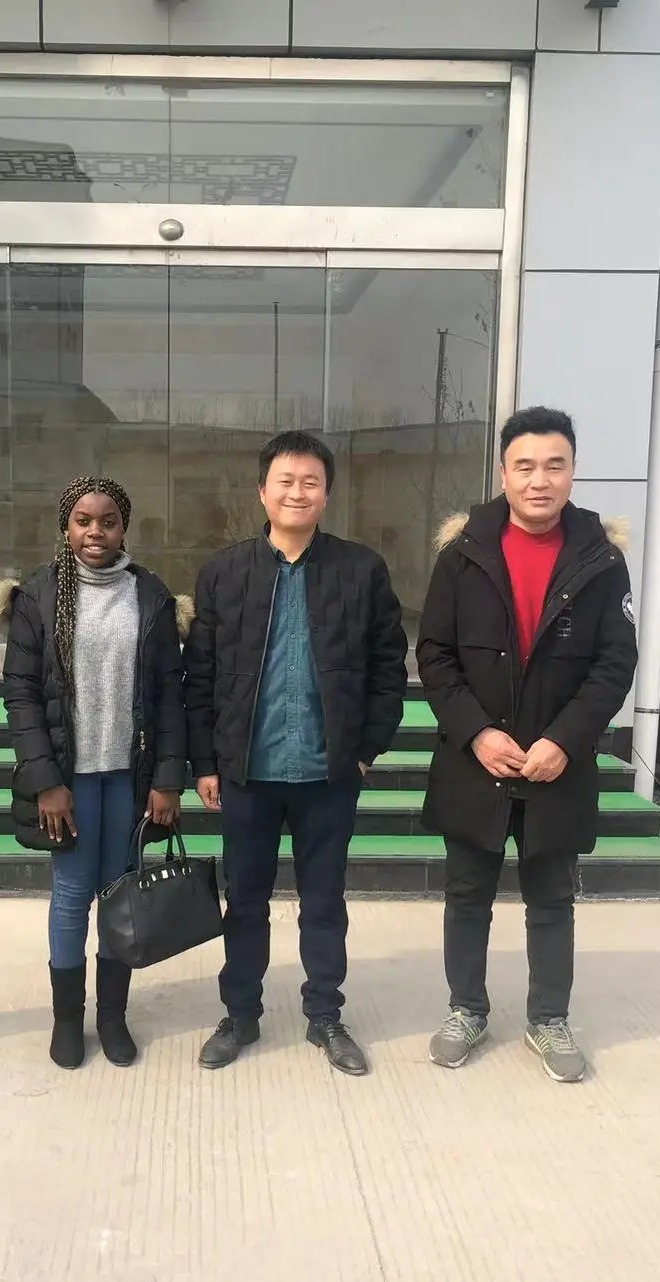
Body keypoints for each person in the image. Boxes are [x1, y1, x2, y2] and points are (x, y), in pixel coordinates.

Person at [417, 406, 638, 1083]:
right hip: (475, 762)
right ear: (503, 472)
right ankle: (467, 1009)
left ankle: (548, 1018)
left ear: (572, 471)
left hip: (556, 765)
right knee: (467, 895)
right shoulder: (463, 553)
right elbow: (435, 654)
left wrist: (565, 742)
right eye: (525, 466)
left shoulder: (601, 559)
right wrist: (477, 732)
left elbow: (614, 664)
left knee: (552, 899)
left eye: (554, 466)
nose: (539, 481)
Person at [183, 431, 408, 1076]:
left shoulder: (360, 570)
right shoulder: (224, 572)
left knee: (324, 902)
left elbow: (388, 668)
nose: (297, 492)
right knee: (244, 901)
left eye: (311, 482)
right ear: (262, 490)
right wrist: (205, 763)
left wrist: (364, 751)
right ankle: (241, 1014)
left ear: (327, 493)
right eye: (285, 481)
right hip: (247, 772)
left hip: (327, 772)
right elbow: (200, 675)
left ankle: (326, 1015)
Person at [0, 477, 188, 1070]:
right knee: (73, 895)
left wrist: (168, 780)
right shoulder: (38, 596)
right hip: (68, 781)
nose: (95, 532)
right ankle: (66, 1019)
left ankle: (112, 1017)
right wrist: (45, 781)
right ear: (66, 527)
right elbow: (21, 695)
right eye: (83, 520)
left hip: (128, 778)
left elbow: (169, 696)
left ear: (124, 527)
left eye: (108, 521)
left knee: (119, 896)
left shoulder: (149, 595)